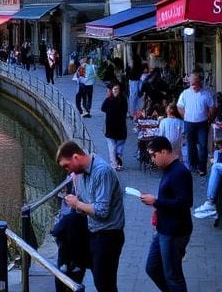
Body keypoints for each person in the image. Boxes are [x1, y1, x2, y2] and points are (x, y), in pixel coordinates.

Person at [56, 140, 125, 292]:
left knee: (105, 284)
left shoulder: (101, 172)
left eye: (67, 166)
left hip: (108, 235)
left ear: (76, 157)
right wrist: (78, 199)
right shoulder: (82, 173)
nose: (68, 171)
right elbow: (88, 205)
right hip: (94, 233)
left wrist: (76, 204)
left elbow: (101, 211)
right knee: (100, 280)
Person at [140, 135, 193, 292]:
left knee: (173, 274)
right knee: (152, 267)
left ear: (163, 152)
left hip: (174, 232)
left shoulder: (179, 173)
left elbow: (185, 203)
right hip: (163, 229)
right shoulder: (168, 170)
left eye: (153, 155)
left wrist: (156, 202)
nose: (152, 159)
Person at [177, 72, 215, 176]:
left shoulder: (206, 94)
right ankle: (193, 165)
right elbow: (179, 106)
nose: (193, 85)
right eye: (191, 83)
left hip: (202, 123)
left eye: (195, 83)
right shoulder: (185, 93)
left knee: (203, 145)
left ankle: (202, 167)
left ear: (199, 82)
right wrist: (185, 116)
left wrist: (209, 118)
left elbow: (211, 107)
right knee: (191, 145)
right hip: (189, 123)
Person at [101, 83, 128, 171]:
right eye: (114, 89)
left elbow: (103, 109)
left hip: (119, 126)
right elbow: (103, 108)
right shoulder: (109, 100)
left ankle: (116, 160)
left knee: (118, 144)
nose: (116, 91)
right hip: (111, 127)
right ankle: (115, 164)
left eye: (117, 89)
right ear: (112, 90)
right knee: (112, 146)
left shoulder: (122, 100)